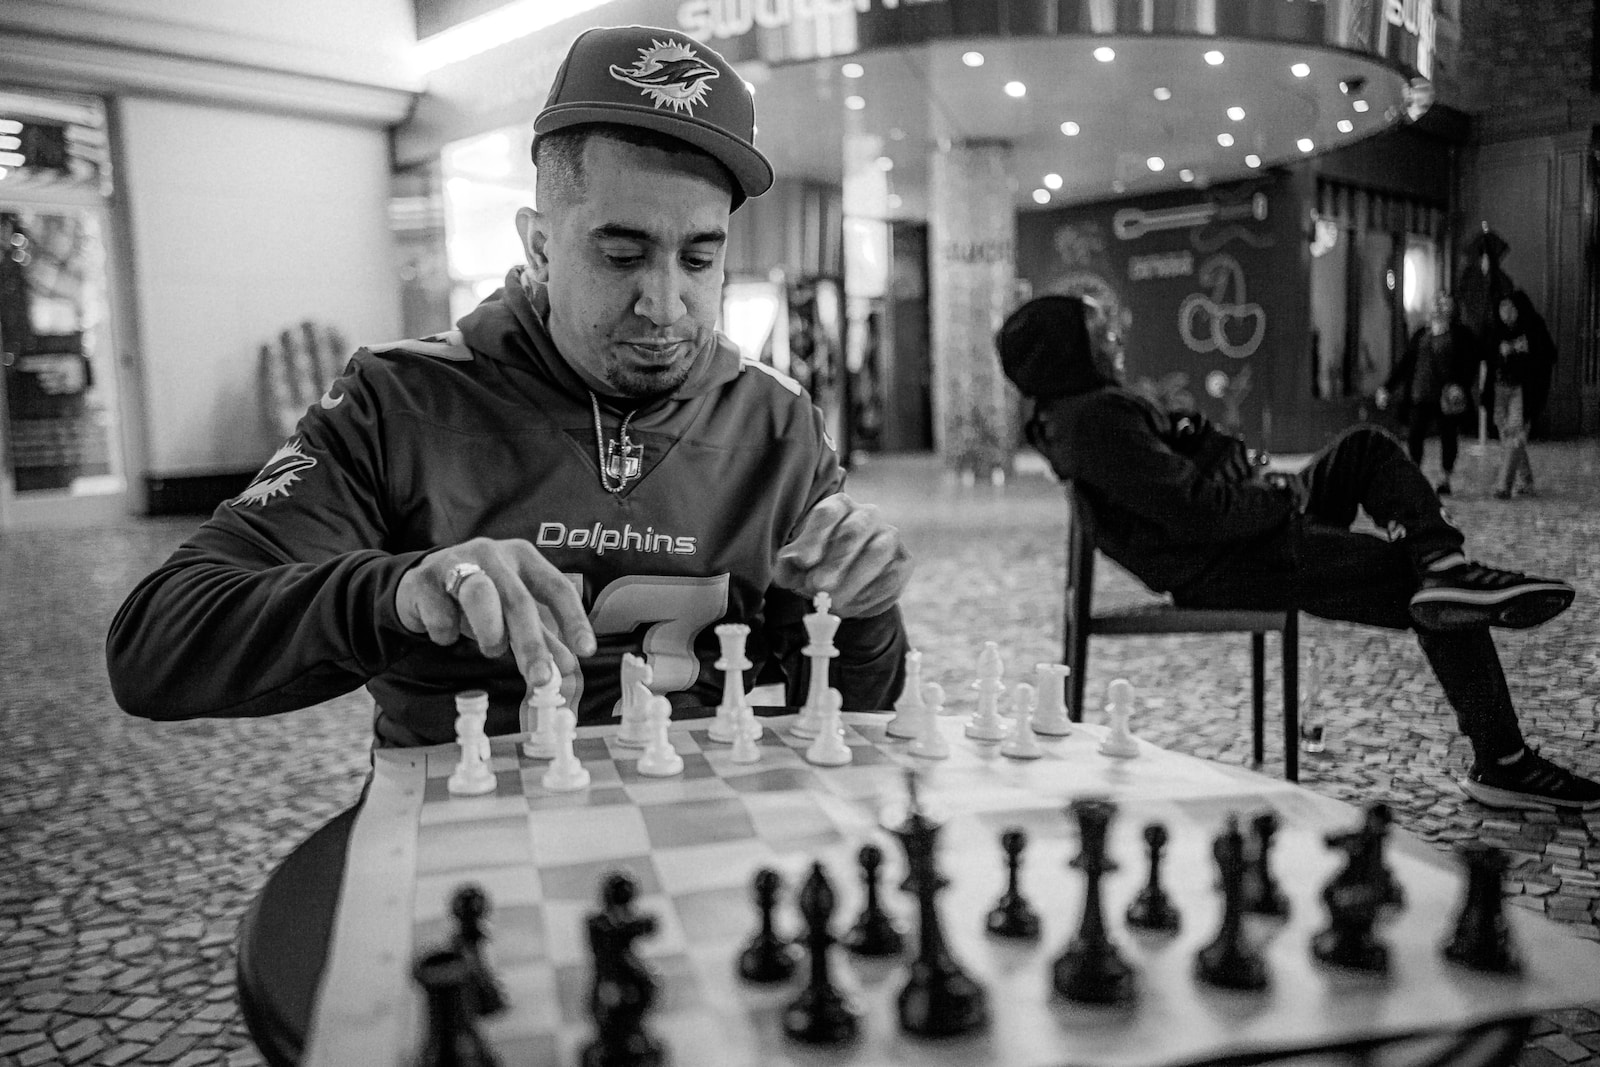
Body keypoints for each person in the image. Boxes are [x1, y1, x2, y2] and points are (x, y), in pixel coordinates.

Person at [105, 25, 911, 747]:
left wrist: (858, 611)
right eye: (621, 255)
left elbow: (845, 717)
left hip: (705, 842)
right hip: (465, 847)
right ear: (539, 246)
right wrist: (396, 592)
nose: (664, 303)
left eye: (699, 258)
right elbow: (153, 649)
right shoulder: (400, 401)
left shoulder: (777, 423)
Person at [997, 293, 1598, 812]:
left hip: (1246, 540)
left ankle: (1446, 563)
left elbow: (1187, 484)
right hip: (1234, 564)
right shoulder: (1094, 420)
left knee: (1363, 449)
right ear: (1068, 349)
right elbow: (1199, 513)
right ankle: (1503, 757)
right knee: (1424, 586)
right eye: (1098, 330)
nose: (1114, 337)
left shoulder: (1079, 412)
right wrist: (1280, 496)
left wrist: (1253, 481)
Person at [1376, 292, 1479, 495]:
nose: (1440, 308)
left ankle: (1445, 477)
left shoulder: (1459, 335)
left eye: (1445, 305)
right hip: (1419, 393)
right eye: (1437, 304)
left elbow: (1469, 363)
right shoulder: (1421, 334)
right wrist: (1387, 387)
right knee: (1415, 435)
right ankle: (1415, 475)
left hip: (1445, 396)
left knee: (1448, 435)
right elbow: (1406, 363)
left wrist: (1460, 385)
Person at [1487, 291, 1556, 499]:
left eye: (1510, 308)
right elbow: (1488, 357)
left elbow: (1547, 356)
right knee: (1507, 436)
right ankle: (1526, 480)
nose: (1505, 313)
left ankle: (1503, 485)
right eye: (1502, 308)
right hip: (1500, 388)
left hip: (1523, 390)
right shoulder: (1496, 331)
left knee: (1515, 436)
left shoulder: (1533, 327)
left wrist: (1525, 353)